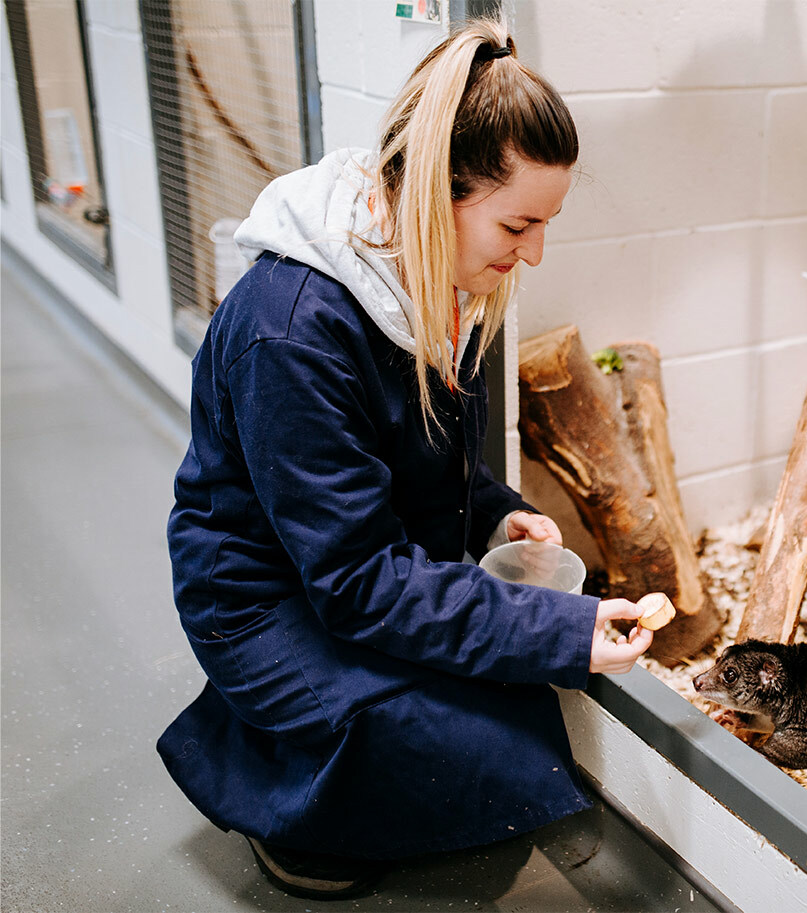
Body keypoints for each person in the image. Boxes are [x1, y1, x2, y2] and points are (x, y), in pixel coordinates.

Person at [157, 19, 653, 901]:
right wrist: (565, 632)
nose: (532, 250)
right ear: (437, 194)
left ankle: (327, 744)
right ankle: (284, 802)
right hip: (264, 596)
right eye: (519, 222)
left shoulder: (434, 273)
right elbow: (356, 578)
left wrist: (497, 510)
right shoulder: (292, 331)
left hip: (347, 567)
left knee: (509, 713)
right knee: (479, 743)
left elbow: (413, 451)